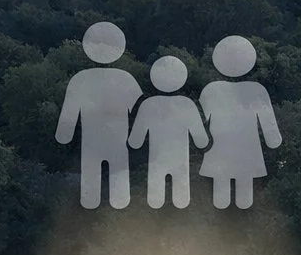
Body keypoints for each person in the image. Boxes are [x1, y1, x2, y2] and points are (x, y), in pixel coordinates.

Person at [56, 21, 141, 209]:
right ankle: (116, 212)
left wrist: (64, 137)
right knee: (119, 191)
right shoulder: (125, 78)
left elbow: (68, 117)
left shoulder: (80, 79)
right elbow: (138, 111)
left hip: (92, 142)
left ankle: (92, 208)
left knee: (90, 189)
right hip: (117, 140)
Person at [198, 35, 280, 209]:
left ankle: (222, 221)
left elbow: (202, 123)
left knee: (220, 197)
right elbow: (270, 130)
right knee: (244, 196)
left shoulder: (211, 90)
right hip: (247, 152)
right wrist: (274, 143)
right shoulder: (257, 90)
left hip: (221, 150)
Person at [127, 55, 208, 208]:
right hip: (180, 162)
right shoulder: (187, 105)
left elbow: (135, 142)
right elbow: (202, 141)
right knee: (182, 201)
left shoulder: (148, 105)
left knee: (154, 202)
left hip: (157, 161)